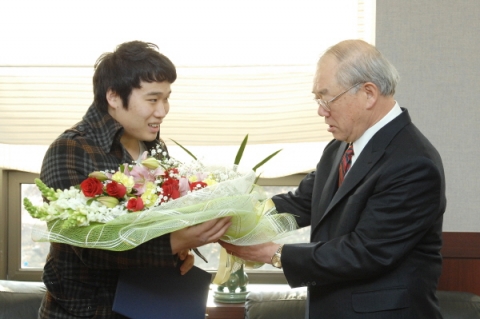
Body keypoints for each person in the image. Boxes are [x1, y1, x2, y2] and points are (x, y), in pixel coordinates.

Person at [220, 39, 446, 318]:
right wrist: (230, 216)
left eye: (327, 98)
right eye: (318, 99)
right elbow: (301, 203)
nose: (321, 110)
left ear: (368, 93)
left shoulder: (413, 163)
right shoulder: (340, 146)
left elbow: (365, 252)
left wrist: (274, 254)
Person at [38, 41, 232, 318]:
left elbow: (162, 220)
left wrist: (177, 254)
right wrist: (172, 243)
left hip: (151, 307)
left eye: (166, 98)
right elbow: (88, 245)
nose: (163, 111)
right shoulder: (71, 150)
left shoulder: (155, 148)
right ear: (114, 97)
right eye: (153, 100)